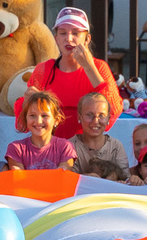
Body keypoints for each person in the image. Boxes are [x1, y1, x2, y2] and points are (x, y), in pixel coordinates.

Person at [15, 9, 118, 141]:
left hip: (87, 149)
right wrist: (27, 103)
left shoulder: (99, 67)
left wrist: (88, 67)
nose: (68, 39)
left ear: (87, 39)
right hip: (50, 148)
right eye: (63, 33)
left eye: (75, 33)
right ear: (56, 38)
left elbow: (112, 113)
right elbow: (23, 125)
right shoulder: (44, 70)